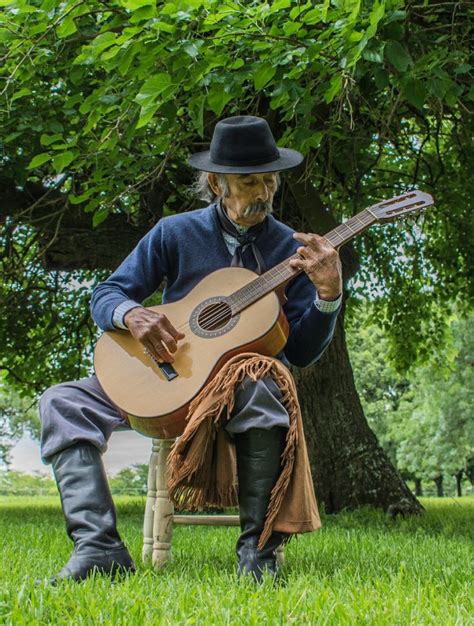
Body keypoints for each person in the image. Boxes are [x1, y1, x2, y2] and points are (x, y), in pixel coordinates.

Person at [39, 115, 342, 584]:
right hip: (170, 381)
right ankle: (98, 550)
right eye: (247, 182)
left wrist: (328, 296)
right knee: (62, 402)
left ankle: (256, 556)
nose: (261, 193)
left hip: (245, 394)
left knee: (261, 382)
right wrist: (131, 314)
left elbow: (300, 352)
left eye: (269, 181)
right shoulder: (174, 232)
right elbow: (106, 295)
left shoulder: (293, 250)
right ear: (216, 182)